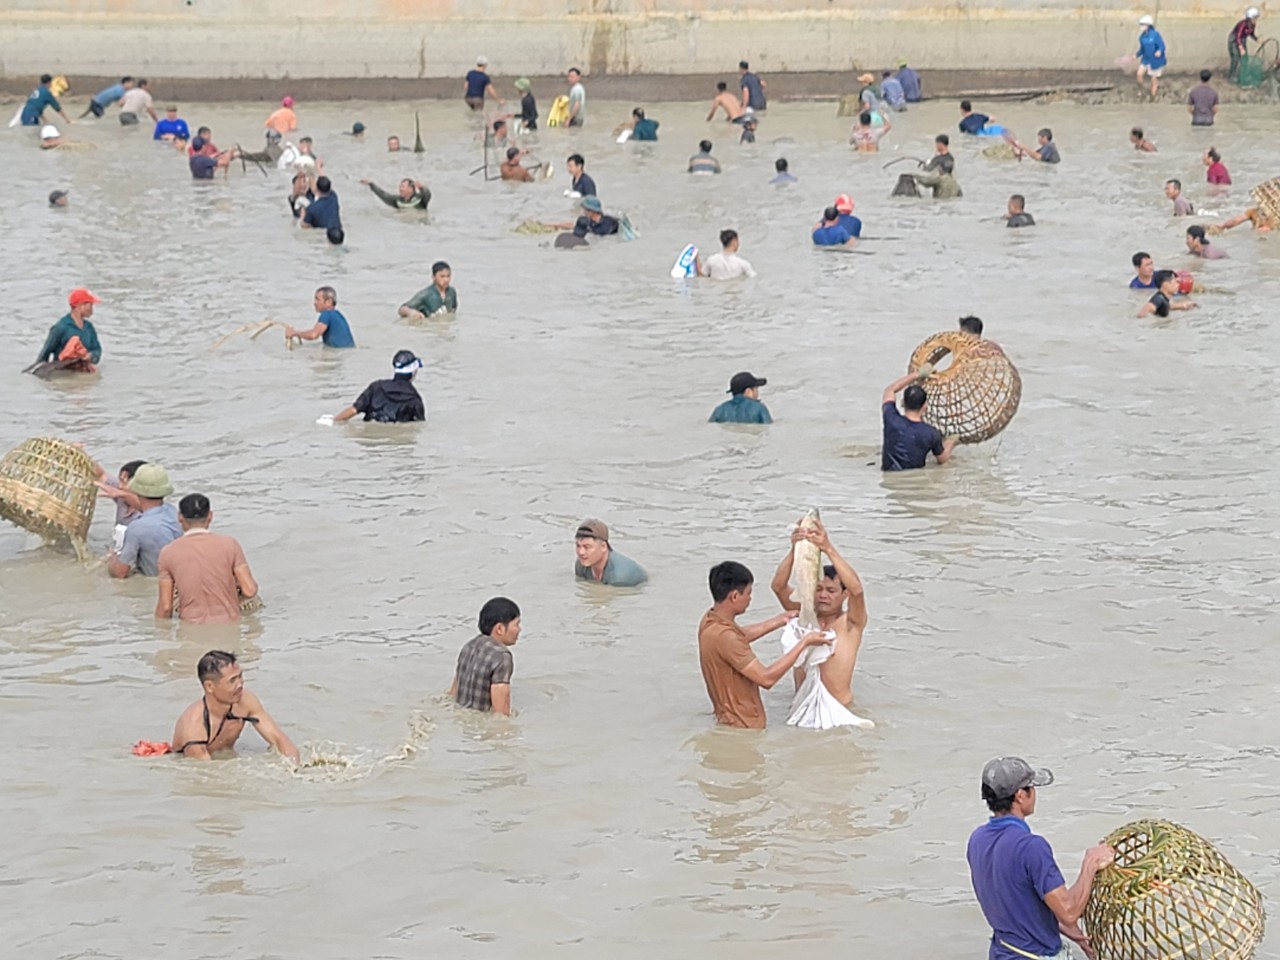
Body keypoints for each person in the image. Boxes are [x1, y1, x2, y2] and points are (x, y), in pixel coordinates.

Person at [968, 757, 1116, 960]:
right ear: (1020, 795)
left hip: (1002, 952)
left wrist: (1058, 925)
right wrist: (1090, 864)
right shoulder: (1031, 847)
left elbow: (1013, 900)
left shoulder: (977, 839)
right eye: (1032, 787)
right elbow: (1070, 912)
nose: (1035, 793)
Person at [697, 561, 830, 729]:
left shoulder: (710, 621)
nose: (750, 599)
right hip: (744, 728)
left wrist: (779, 620)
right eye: (748, 593)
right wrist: (805, 642)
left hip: (726, 722)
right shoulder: (727, 638)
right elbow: (767, 679)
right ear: (735, 596)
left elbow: (740, 636)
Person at [770, 517, 868, 706]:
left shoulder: (851, 623)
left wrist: (828, 548)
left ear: (843, 594)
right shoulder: (804, 612)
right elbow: (778, 587)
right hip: (802, 707)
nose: (823, 595)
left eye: (831, 591)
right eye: (818, 589)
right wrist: (795, 549)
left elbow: (857, 590)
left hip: (838, 711)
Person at [172, 650, 299, 761]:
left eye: (240, 676)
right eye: (232, 680)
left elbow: (279, 739)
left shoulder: (245, 700)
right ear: (209, 686)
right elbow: (207, 777)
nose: (240, 684)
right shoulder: (194, 727)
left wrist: (295, 770)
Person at [155, 494, 258, 624]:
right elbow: (249, 590)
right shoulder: (230, 545)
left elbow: (165, 607)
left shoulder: (168, 552)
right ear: (210, 516)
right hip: (228, 626)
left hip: (191, 629)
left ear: (180, 517)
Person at [107, 464, 181, 578]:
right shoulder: (173, 511)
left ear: (136, 490)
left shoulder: (137, 528)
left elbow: (120, 572)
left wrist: (112, 559)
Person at [449, 598, 521, 715]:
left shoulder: (469, 646)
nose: (519, 629)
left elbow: (453, 693)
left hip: (461, 719)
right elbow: (500, 714)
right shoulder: (502, 656)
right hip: (480, 722)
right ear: (500, 629)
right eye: (516, 624)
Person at [882, 370, 956, 471]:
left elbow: (890, 390)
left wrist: (917, 374)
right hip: (915, 483)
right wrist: (951, 442)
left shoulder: (891, 419)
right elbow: (942, 459)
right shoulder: (931, 433)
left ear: (903, 403)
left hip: (888, 480)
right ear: (925, 406)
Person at [332, 350, 426, 423]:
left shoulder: (376, 387)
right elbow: (418, 426)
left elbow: (353, 410)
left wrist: (334, 421)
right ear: (414, 372)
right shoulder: (415, 400)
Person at [34, 288, 103, 371]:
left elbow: (97, 349)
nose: (92, 309)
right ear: (81, 305)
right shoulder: (61, 327)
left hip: (82, 371)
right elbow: (44, 354)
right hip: (63, 373)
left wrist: (90, 356)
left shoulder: (89, 327)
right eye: (90, 305)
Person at [573, 519, 648, 587]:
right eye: (578, 546)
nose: (581, 552)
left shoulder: (620, 577)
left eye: (587, 547)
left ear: (603, 547)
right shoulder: (581, 564)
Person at [285, 286, 355, 348]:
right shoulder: (337, 315)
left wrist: (294, 333)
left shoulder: (326, 314)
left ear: (328, 302)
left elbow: (314, 335)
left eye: (317, 299)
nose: (314, 303)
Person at [93, 458, 147, 532]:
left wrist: (123, 495)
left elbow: (146, 508)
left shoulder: (149, 514)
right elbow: (101, 475)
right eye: (120, 480)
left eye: (124, 482)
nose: (120, 486)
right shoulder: (120, 494)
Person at [301, 176, 344, 244]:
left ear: (317, 188)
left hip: (322, 236)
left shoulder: (312, 208)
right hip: (338, 232)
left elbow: (304, 226)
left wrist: (303, 211)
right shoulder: (334, 197)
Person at [1136, 15, 1167, 98]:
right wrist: (1136, 55)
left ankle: (1153, 96)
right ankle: (1140, 89)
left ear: (1148, 25)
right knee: (1139, 74)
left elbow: (1162, 46)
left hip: (1155, 61)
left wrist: (1159, 51)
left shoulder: (1155, 35)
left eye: (1143, 24)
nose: (1142, 26)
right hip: (1146, 59)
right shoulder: (1142, 37)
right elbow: (1142, 49)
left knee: (1153, 80)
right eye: (1141, 24)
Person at [360, 177, 430, 211]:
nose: (400, 189)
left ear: (411, 188)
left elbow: (427, 194)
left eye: (403, 187)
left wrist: (422, 187)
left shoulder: (420, 198)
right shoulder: (397, 201)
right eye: (399, 187)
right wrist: (371, 185)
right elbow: (384, 195)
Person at [1228, 8, 1261, 82]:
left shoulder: (1252, 25)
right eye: (1254, 18)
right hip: (1234, 41)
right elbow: (1238, 36)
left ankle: (1242, 75)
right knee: (1236, 58)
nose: (1255, 20)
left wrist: (1256, 39)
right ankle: (1232, 77)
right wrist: (1240, 47)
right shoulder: (1242, 24)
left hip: (1242, 41)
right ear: (1250, 18)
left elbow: (1251, 34)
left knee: (1244, 58)